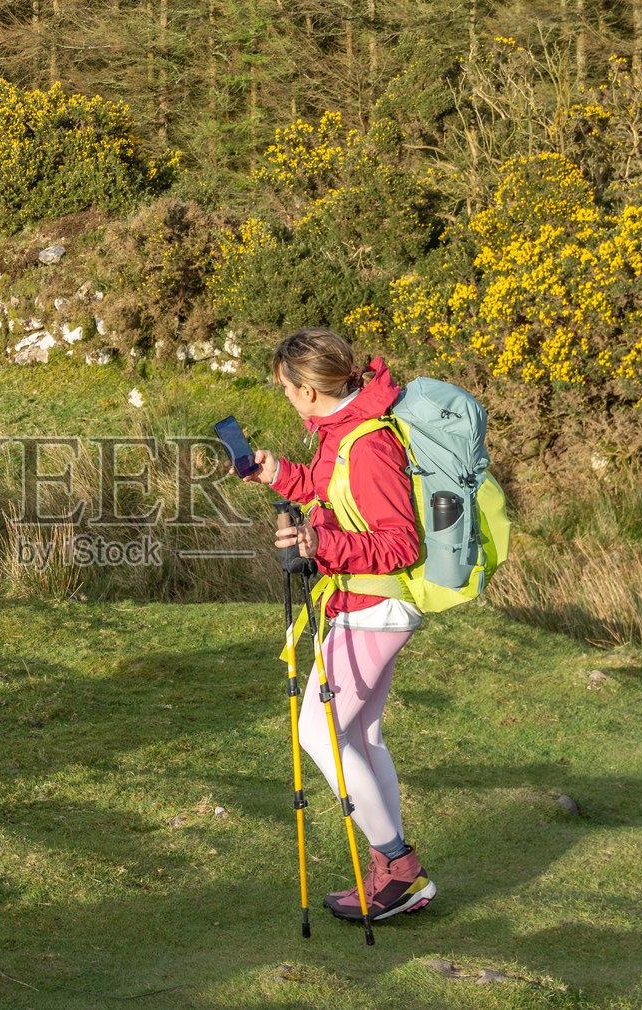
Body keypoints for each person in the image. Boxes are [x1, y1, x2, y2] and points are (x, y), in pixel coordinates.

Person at [239, 327, 435, 923]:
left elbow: (400, 543)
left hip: (372, 606)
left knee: (319, 735)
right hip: (366, 604)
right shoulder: (340, 430)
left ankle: (399, 868)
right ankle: (394, 873)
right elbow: (330, 491)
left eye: (286, 389)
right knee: (361, 736)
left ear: (307, 389)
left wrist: (316, 540)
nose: (285, 398)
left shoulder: (368, 444)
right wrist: (278, 474)